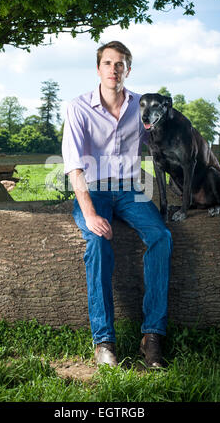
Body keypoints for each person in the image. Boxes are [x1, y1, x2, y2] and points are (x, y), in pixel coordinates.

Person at [62, 41, 173, 368]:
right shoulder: (79, 107)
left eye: (120, 63)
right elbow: (73, 167)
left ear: (128, 69)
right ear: (99, 69)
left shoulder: (142, 107)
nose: (114, 69)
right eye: (108, 63)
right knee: (97, 240)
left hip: (130, 190)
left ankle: (152, 336)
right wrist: (90, 212)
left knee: (161, 236)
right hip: (92, 189)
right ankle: (104, 342)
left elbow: (166, 144)